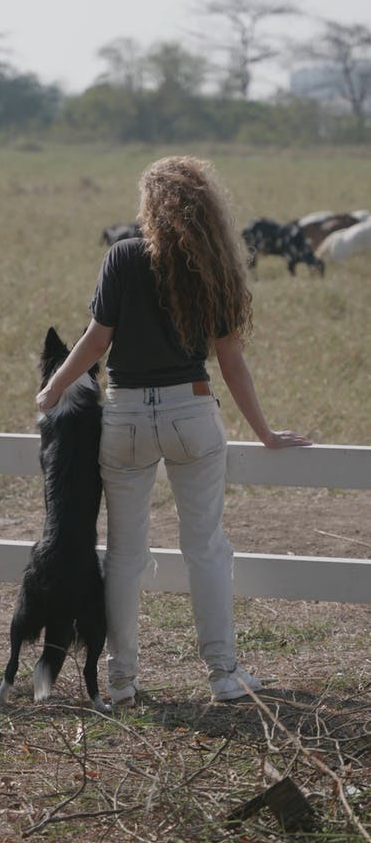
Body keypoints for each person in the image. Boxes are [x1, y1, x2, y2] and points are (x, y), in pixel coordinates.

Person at [36, 155, 311, 706]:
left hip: (128, 417)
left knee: (124, 555)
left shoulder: (123, 256)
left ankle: (121, 681)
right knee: (206, 548)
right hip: (192, 413)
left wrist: (53, 390)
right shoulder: (214, 267)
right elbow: (231, 362)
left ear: (150, 206)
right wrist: (264, 433)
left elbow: (95, 341)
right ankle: (223, 674)